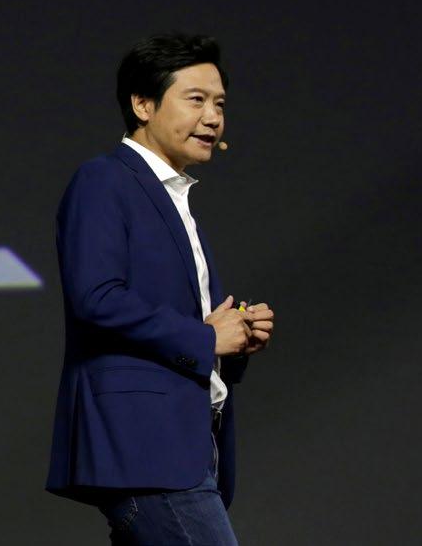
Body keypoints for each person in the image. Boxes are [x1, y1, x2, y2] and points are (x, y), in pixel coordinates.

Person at [46, 33, 274, 545]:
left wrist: (235, 338)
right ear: (143, 105)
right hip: (146, 449)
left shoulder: (175, 200)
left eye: (220, 104)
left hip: (186, 444)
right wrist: (206, 338)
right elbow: (96, 298)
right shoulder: (104, 180)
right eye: (196, 100)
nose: (213, 118)